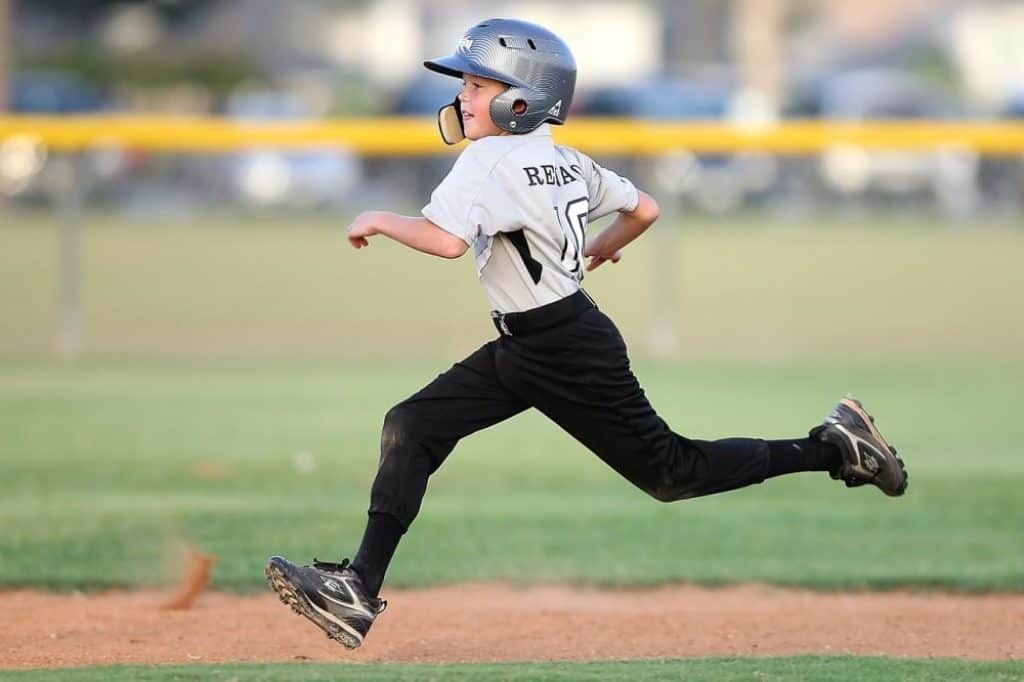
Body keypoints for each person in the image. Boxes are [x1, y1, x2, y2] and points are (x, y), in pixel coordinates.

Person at [265, 18, 908, 649]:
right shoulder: (563, 157)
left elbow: (445, 243)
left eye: (478, 84)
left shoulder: (487, 161)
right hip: (540, 340)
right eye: (465, 82)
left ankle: (835, 447)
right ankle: (356, 587)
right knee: (413, 424)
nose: (463, 94)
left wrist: (378, 217)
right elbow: (645, 208)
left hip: (564, 350)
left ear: (523, 98)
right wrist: (598, 248)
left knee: (672, 472)